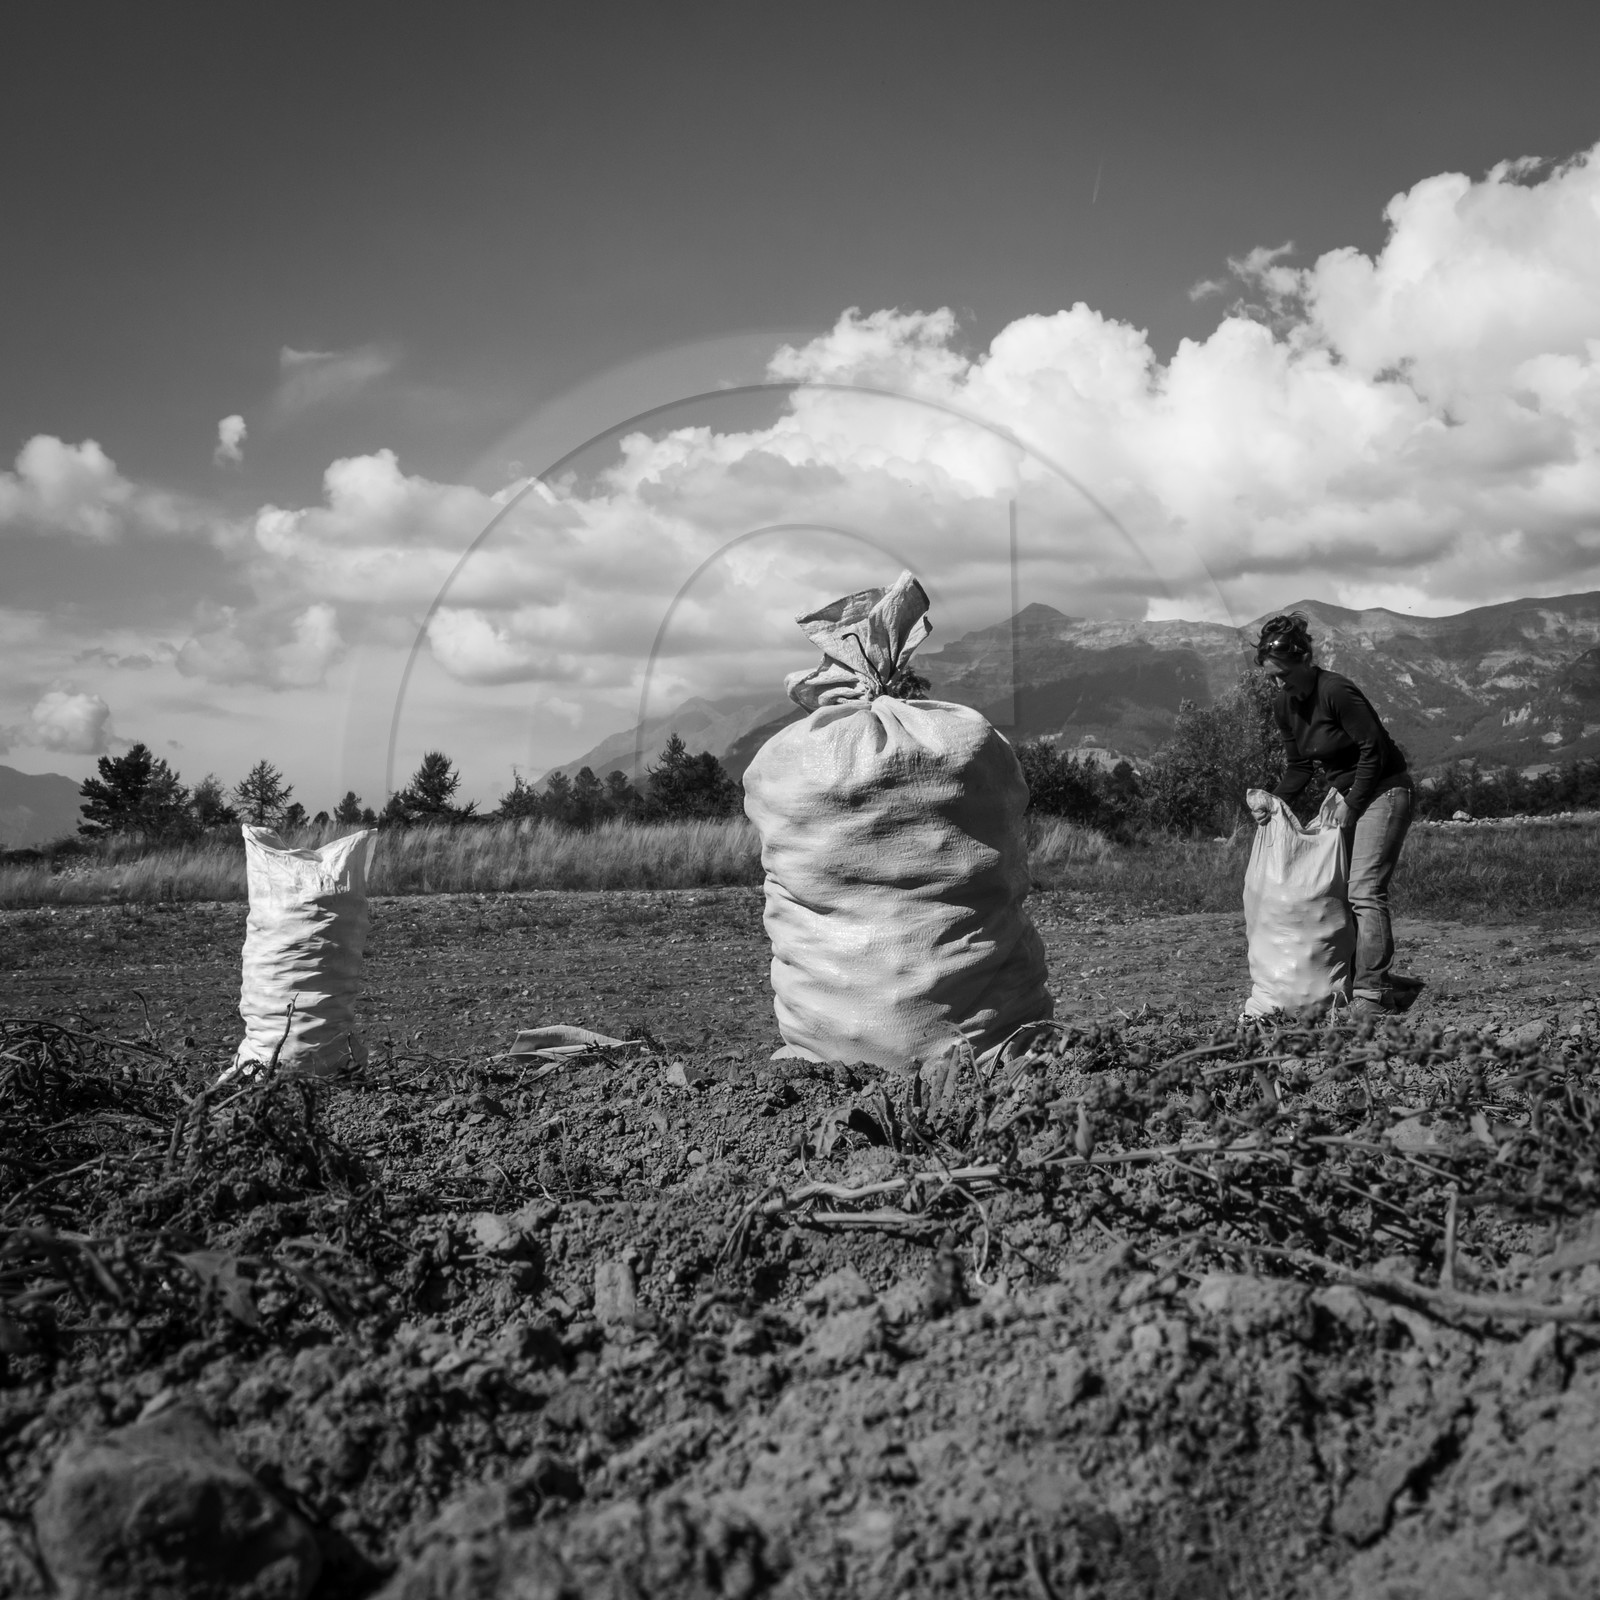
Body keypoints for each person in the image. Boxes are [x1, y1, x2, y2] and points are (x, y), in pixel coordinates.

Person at [1254, 611, 1417, 1016]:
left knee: (1364, 890)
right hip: (1346, 795)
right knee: (1336, 891)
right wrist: (1273, 804)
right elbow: (1299, 768)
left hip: (1384, 790)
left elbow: (1373, 751)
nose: (1278, 684)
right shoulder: (1283, 705)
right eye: (1272, 677)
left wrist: (1352, 803)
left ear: (1304, 661)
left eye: (1283, 675)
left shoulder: (1336, 691)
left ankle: (1372, 994)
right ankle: (1364, 976)